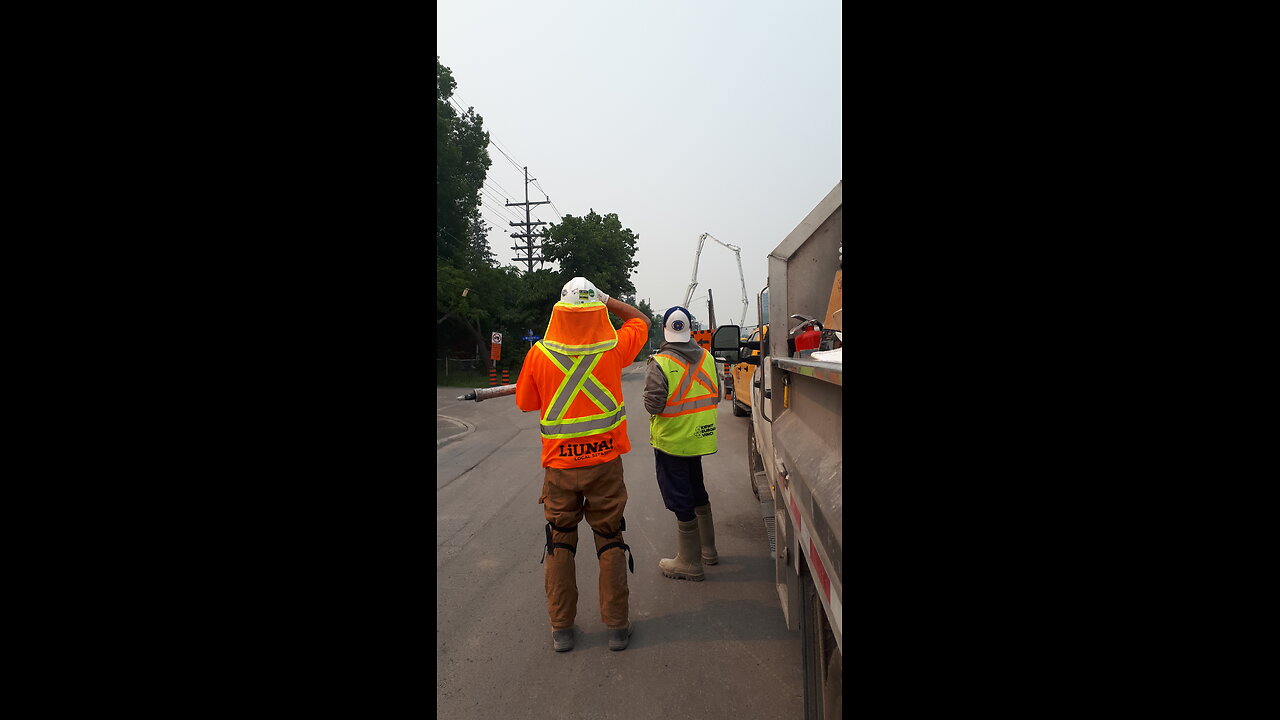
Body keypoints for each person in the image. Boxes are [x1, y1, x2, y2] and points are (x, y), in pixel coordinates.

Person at [515, 277, 650, 653]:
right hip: (605, 462)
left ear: (560, 311)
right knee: (609, 538)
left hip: (559, 467)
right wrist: (607, 299)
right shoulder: (614, 349)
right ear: (597, 311)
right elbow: (641, 321)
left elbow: (526, 403)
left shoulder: (539, 354)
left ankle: (562, 629)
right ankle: (617, 628)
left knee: (560, 540)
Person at [643, 306, 720, 582]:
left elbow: (653, 404)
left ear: (664, 330)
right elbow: (716, 394)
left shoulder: (660, 363)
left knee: (680, 497)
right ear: (689, 330)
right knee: (697, 489)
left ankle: (689, 562)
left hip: (673, 441)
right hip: (699, 437)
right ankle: (708, 550)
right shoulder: (708, 358)